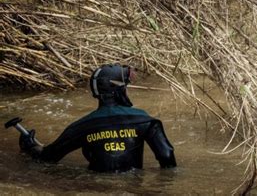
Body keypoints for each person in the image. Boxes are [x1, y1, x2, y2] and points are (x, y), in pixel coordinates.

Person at [18, 63, 177, 172]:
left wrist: (30, 146)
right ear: (119, 90)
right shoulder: (146, 120)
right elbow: (167, 156)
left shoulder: (82, 126)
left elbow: (48, 158)